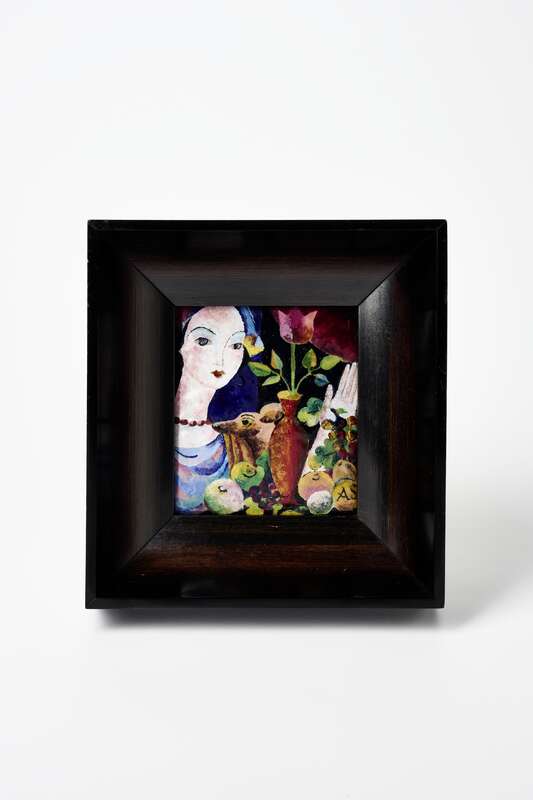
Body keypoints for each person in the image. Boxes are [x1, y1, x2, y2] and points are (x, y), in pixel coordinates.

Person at [174, 306, 263, 513]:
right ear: (180, 344)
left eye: (235, 345)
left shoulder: (235, 440)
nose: (220, 359)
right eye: (203, 341)